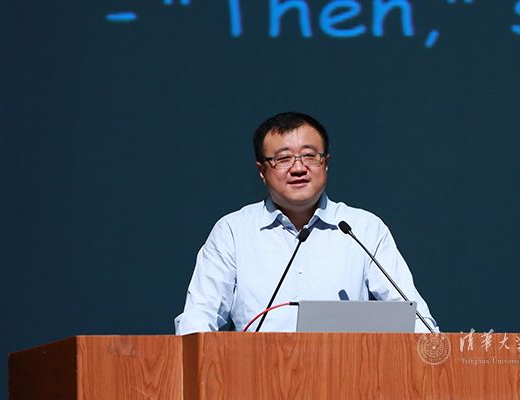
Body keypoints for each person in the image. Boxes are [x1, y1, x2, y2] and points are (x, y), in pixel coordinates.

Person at [174, 112, 438, 334]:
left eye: (309, 156)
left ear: (326, 163)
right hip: (253, 375)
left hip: (346, 376)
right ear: (262, 171)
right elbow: (198, 320)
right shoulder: (233, 232)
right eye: (283, 158)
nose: (298, 168)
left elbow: (416, 320)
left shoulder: (363, 229)